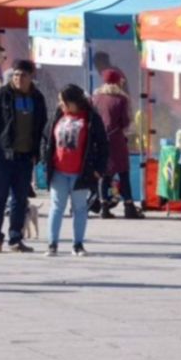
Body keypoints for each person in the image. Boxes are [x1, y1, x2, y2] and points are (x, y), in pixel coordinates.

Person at [0, 61, 49, 253]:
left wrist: (38, 153)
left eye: (23, 75)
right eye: (15, 75)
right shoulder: (0, 95)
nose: (19, 78)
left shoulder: (37, 98)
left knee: (20, 199)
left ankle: (15, 238)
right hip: (3, 155)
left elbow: (42, 127)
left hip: (25, 157)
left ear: (31, 77)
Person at [39, 83, 110, 256]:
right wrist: (45, 160)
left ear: (74, 101)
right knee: (57, 207)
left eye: (63, 101)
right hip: (58, 171)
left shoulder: (91, 118)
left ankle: (78, 244)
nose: (61, 105)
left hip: (81, 173)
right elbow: (45, 138)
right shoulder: (57, 116)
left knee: (80, 208)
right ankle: (52, 244)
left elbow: (103, 145)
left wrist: (98, 169)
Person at [91, 68, 143, 219]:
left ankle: (104, 207)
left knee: (104, 173)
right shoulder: (121, 100)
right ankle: (129, 206)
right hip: (116, 140)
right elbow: (125, 122)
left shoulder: (95, 98)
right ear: (118, 82)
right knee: (123, 172)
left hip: (99, 140)